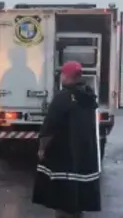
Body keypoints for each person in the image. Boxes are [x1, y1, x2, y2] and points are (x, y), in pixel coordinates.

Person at [32, 61, 102, 218]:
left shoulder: (62, 98)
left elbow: (49, 127)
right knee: (77, 199)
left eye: (62, 74)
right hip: (83, 157)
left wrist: (42, 148)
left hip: (64, 156)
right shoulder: (88, 97)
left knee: (62, 201)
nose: (61, 76)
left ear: (68, 76)